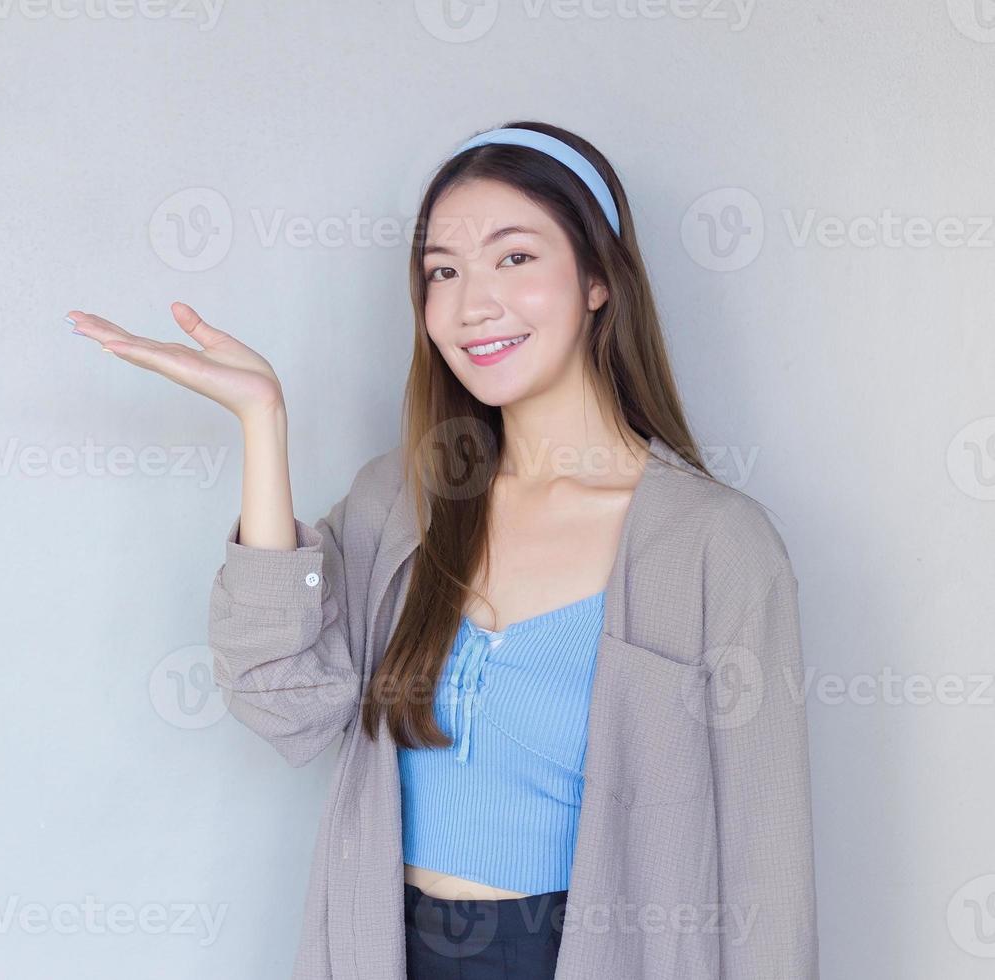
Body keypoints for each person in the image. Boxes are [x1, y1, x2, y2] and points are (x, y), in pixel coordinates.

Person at [67, 120, 819, 980]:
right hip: (392, 949)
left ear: (600, 279)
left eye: (515, 258)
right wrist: (262, 424)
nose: (473, 305)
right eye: (443, 272)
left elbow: (769, 870)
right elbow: (283, 697)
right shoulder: (405, 500)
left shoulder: (716, 543)